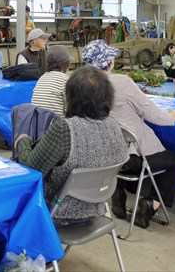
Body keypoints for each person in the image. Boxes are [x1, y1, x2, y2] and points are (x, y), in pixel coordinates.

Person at [82, 39, 175, 229]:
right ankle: (150, 204)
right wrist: (172, 117)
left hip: (103, 157)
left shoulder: (81, 86)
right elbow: (150, 112)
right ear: (109, 62)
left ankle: (118, 191)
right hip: (129, 158)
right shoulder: (120, 82)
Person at [16, 66, 128, 228]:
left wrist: (23, 141)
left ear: (71, 97)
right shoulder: (114, 126)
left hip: (56, 213)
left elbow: (30, 170)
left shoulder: (65, 129)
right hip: (96, 210)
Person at [31, 45, 71, 117]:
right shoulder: (65, 80)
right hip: (56, 123)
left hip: (38, 122)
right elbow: (70, 110)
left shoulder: (42, 78)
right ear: (66, 63)